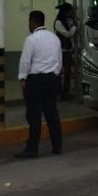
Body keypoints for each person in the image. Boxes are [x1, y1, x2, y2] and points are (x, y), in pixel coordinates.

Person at [16, 10, 63, 158]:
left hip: (36, 81)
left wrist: (22, 78)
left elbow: (25, 61)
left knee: (34, 116)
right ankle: (57, 146)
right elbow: (59, 60)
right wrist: (56, 75)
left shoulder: (31, 39)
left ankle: (32, 149)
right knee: (52, 114)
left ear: (32, 22)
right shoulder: (55, 38)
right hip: (52, 80)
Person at [54, 2, 79, 99]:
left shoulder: (69, 21)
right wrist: (75, 27)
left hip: (68, 50)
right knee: (59, 73)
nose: (71, 13)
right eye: (70, 11)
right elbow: (67, 34)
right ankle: (59, 92)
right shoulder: (58, 22)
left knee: (67, 72)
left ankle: (65, 92)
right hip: (60, 50)